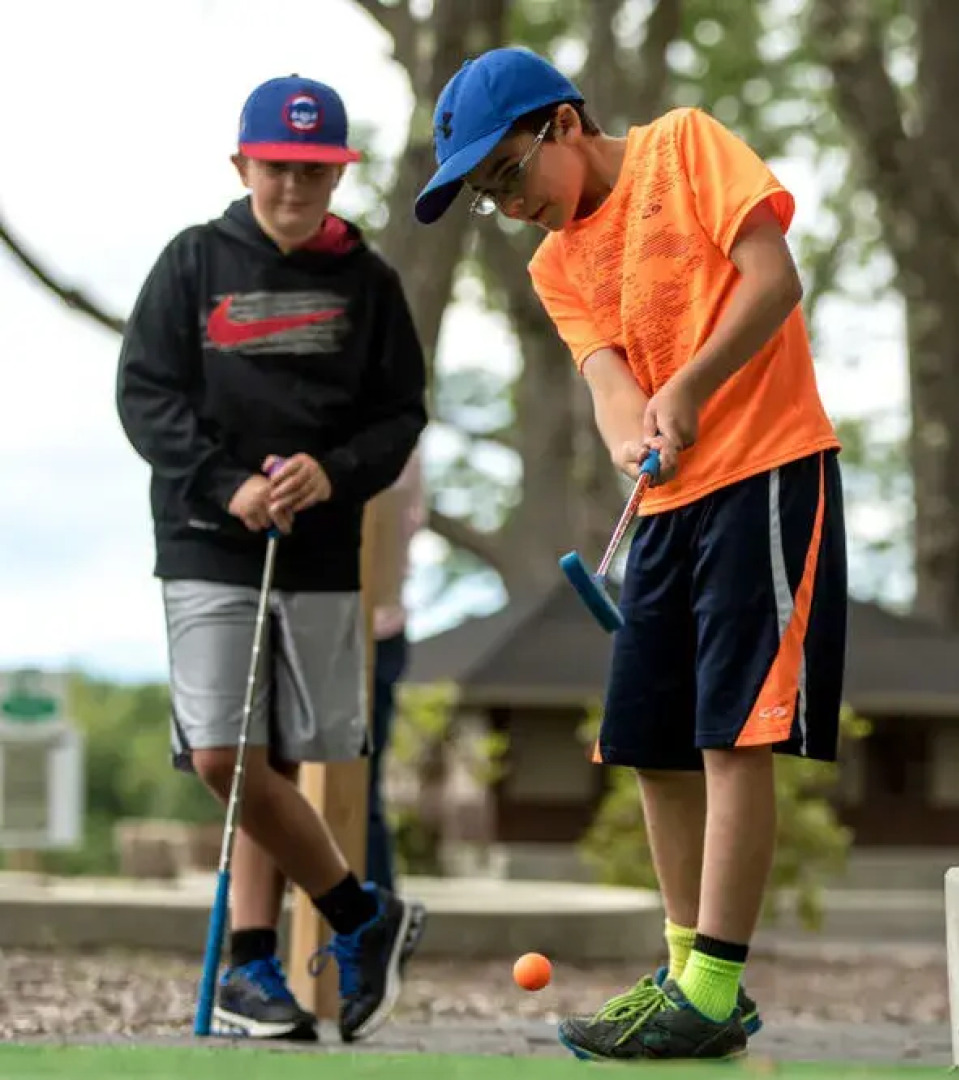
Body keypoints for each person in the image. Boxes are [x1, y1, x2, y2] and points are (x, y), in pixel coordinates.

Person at [412, 47, 849, 1062]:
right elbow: (609, 378)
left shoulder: (683, 147)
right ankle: (685, 967)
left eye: (505, 175)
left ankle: (713, 984)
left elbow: (773, 280)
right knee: (647, 739)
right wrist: (627, 432)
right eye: (485, 194)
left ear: (561, 125)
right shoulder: (555, 262)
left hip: (768, 472)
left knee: (729, 734)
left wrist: (689, 388)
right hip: (668, 502)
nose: (505, 202)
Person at [115, 73, 429, 1044]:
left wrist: (333, 476)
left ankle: (252, 969)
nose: (295, 185)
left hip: (321, 551)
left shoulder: (369, 285)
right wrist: (225, 484)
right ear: (242, 165)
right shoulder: (193, 262)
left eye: (315, 170)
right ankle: (360, 914)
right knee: (223, 755)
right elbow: (146, 393)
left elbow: (399, 416)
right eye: (279, 166)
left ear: (338, 174)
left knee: (280, 758)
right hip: (208, 541)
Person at [365, 446, 426, 894]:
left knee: (361, 785)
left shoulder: (396, 437)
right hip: (313, 625)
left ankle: (377, 915)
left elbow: (400, 510)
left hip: (377, 627)